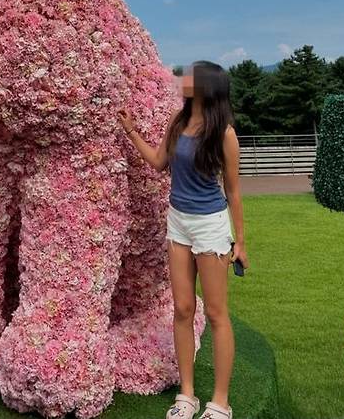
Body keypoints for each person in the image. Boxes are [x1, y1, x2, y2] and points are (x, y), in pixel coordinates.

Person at [118, 60, 249, 419]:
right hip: (178, 222)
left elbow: (234, 192)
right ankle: (187, 395)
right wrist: (131, 132)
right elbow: (160, 162)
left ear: (205, 86)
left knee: (218, 314)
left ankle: (220, 402)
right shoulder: (178, 123)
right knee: (182, 309)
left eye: (189, 76)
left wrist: (240, 242)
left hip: (210, 226)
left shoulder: (223, 133)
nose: (182, 80)